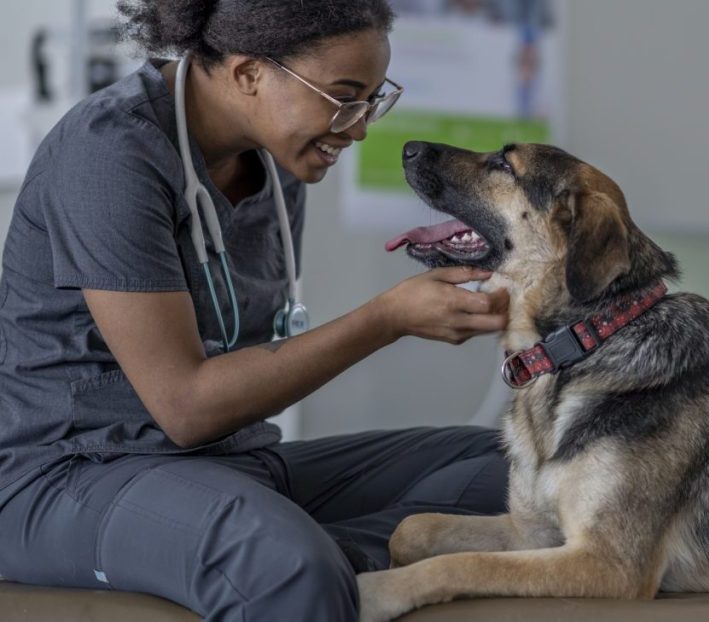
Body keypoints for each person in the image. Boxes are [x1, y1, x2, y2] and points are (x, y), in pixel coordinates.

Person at [0, 1, 511, 620]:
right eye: (344, 96)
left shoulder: (276, 162)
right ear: (248, 74)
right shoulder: (108, 155)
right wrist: (386, 320)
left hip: (231, 466)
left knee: (511, 468)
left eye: (374, 99)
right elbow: (187, 408)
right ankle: (291, 556)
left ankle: (320, 556)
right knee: (281, 560)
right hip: (69, 478)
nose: (358, 128)